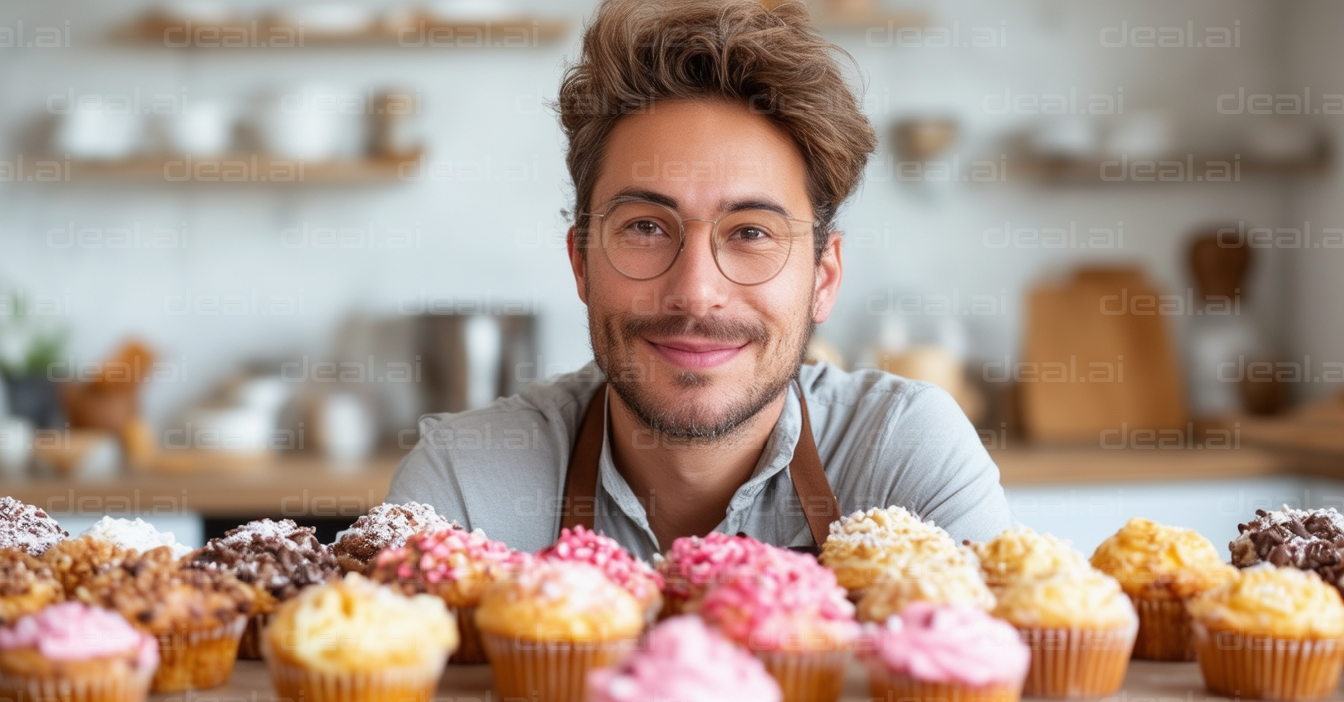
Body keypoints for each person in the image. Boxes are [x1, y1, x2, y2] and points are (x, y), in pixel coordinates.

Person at [386, 0, 1012, 560]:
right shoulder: (466, 490)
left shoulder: (904, 455)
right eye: (646, 228)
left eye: (750, 233)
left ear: (823, 277)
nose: (695, 292)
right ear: (581, 262)